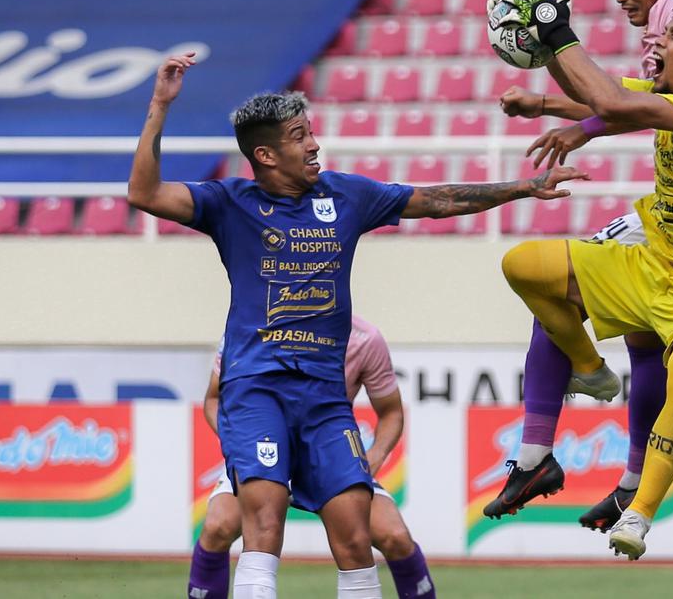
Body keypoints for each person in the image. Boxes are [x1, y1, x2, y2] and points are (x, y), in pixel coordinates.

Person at [128, 53, 586, 598]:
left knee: (353, 539)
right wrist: (159, 105)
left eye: (312, 133)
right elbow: (144, 194)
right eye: (300, 137)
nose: (315, 144)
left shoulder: (345, 196)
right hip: (257, 389)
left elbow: (435, 200)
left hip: (325, 397)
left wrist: (523, 187)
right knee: (262, 529)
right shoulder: (230, 203)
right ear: (267, 155)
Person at [481, 0, 673, 534]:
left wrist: (557, 38)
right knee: (636, 334)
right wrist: (553, 99)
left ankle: (544, 442)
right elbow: (627, 99)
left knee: (562, 293)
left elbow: (621, 101)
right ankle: (626, 479)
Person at [188, 316, 435, 599]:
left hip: (326, 454)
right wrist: (242, 445)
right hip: (265, 449)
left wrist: (373, 458)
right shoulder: (251, 326)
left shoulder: (364, 338)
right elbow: (214, 398)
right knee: (217, 527)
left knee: (395, 536)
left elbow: (391, 410)